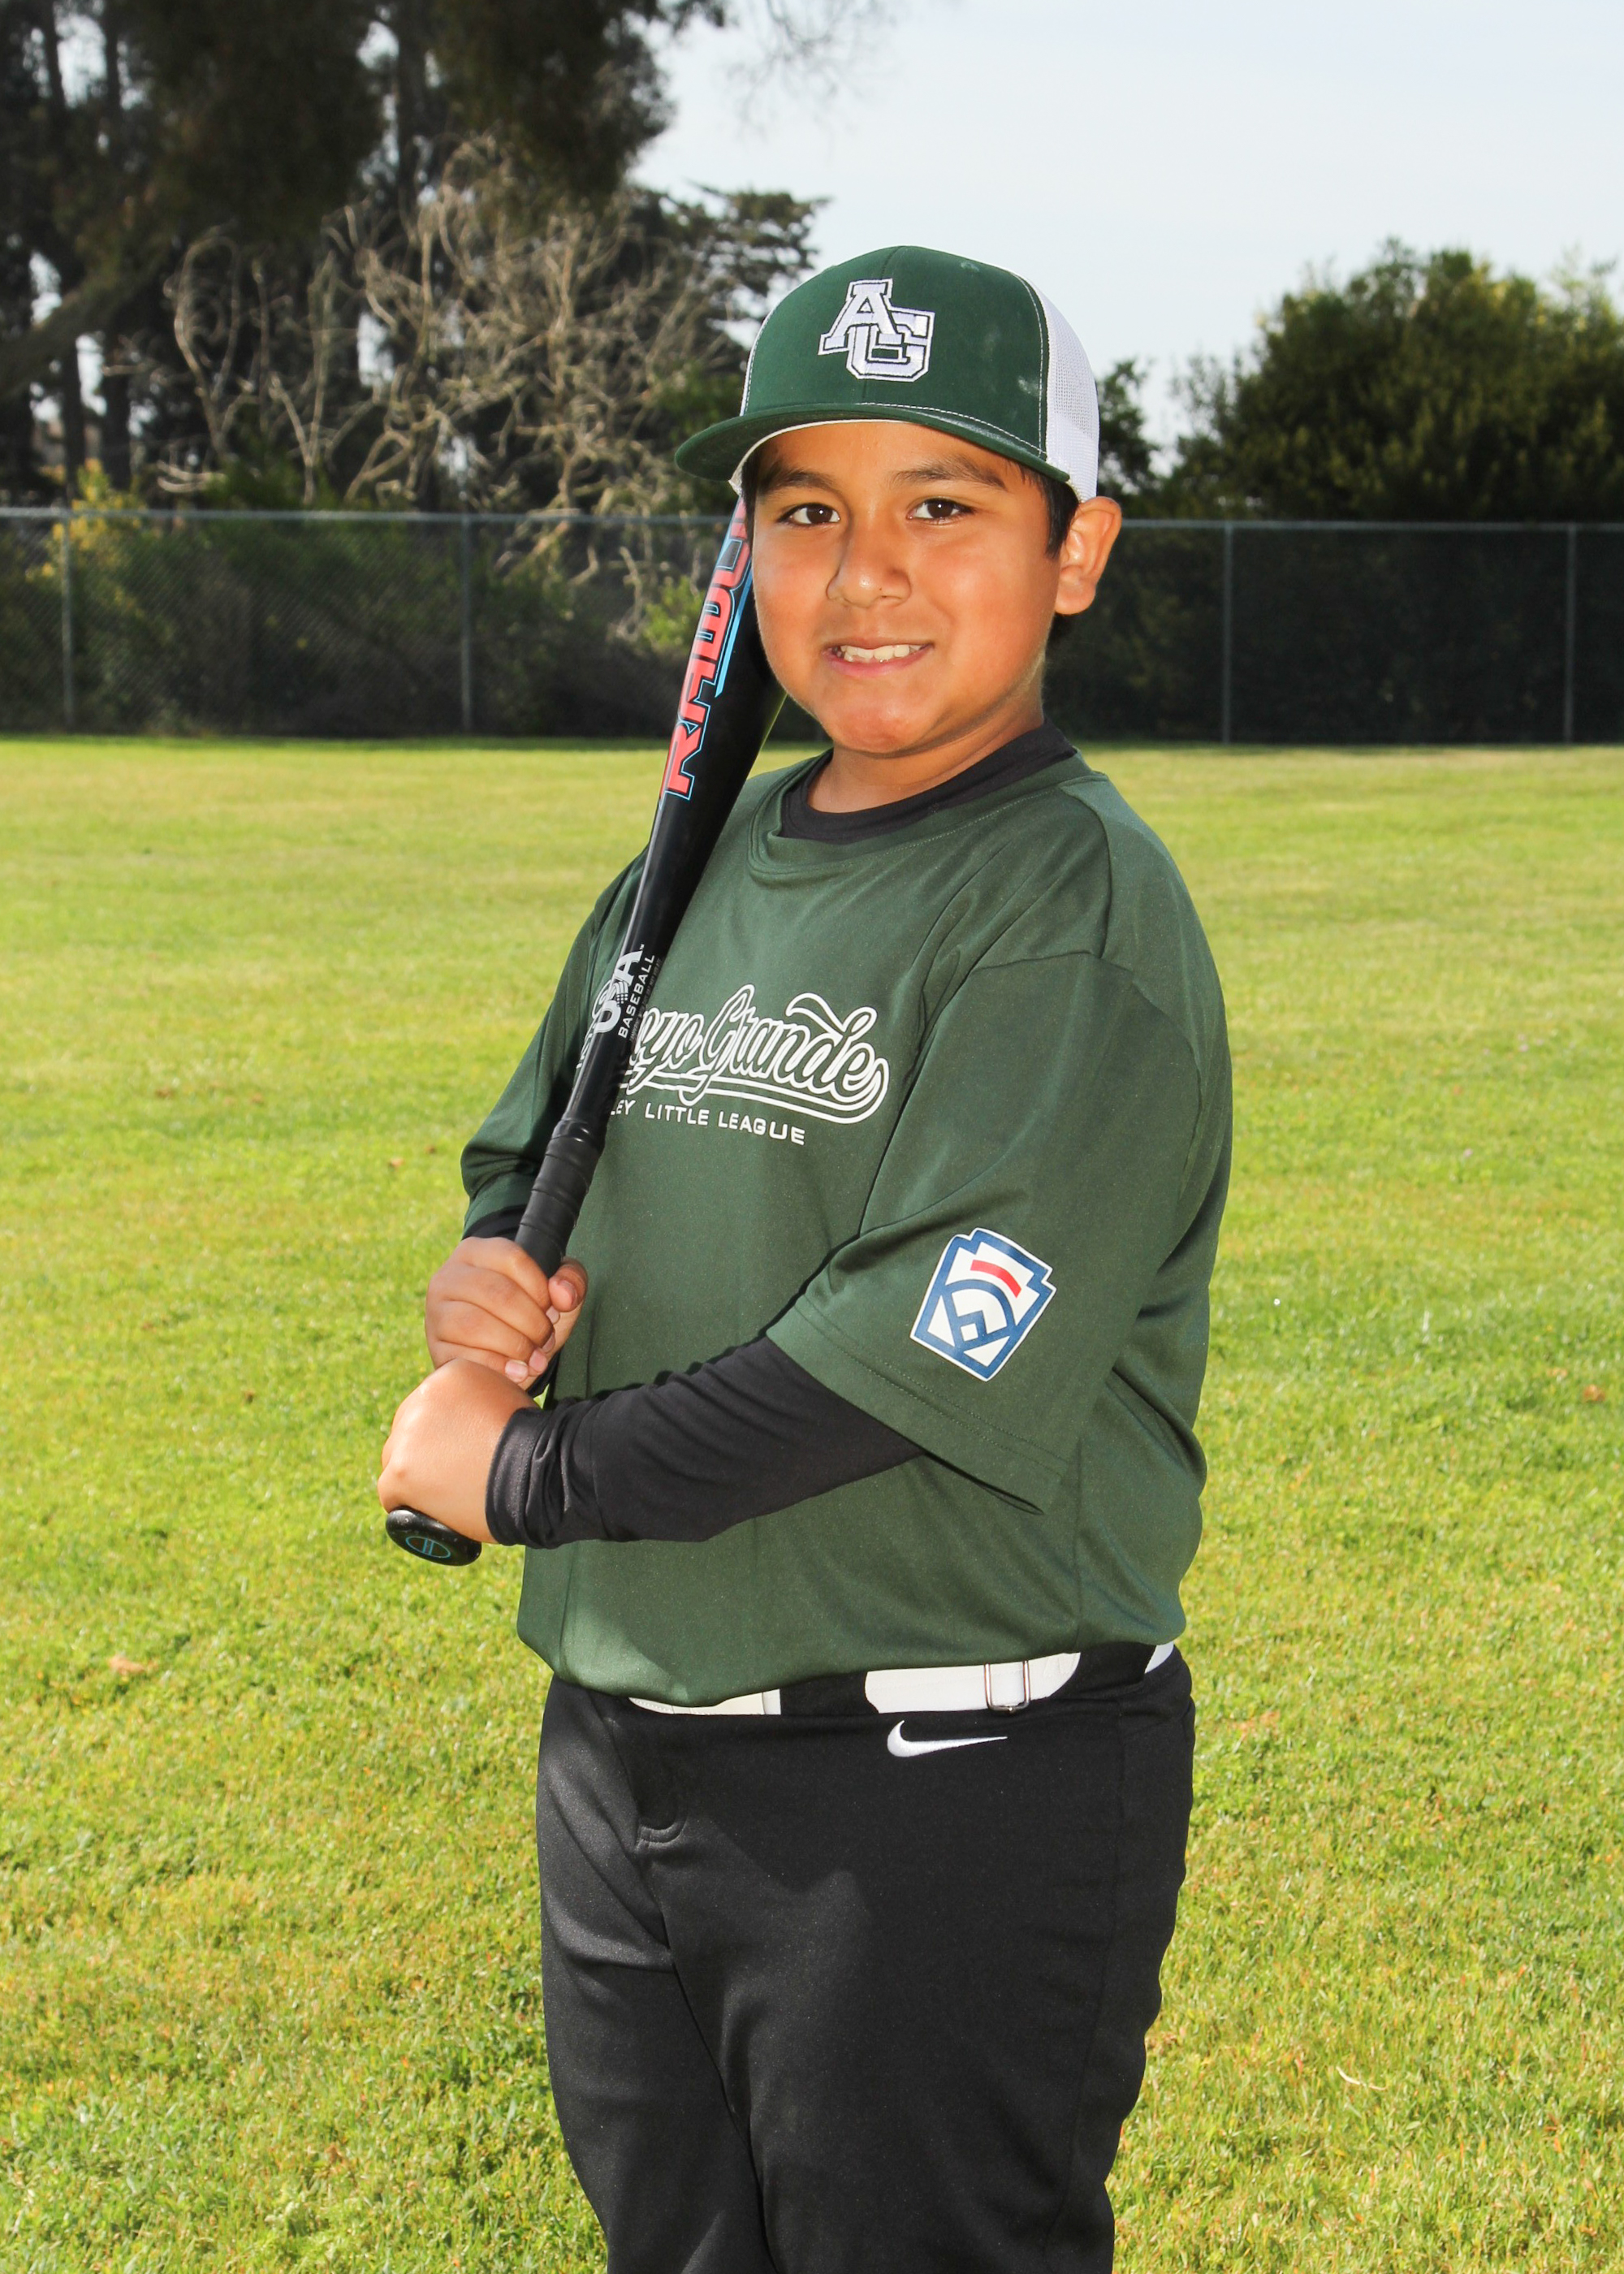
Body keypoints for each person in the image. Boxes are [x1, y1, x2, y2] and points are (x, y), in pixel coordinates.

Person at [378, 244, 1231, 2274]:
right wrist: (493, 1273)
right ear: (744, 553)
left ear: (1077, 549)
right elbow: (536, 1148)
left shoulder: (1073, 911)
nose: (868, 575)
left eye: (944, 504)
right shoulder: (698, 863)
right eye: (806, 512)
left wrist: (524, 1468)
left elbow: (903, 1354)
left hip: (938, 1775)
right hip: (623, 1743)